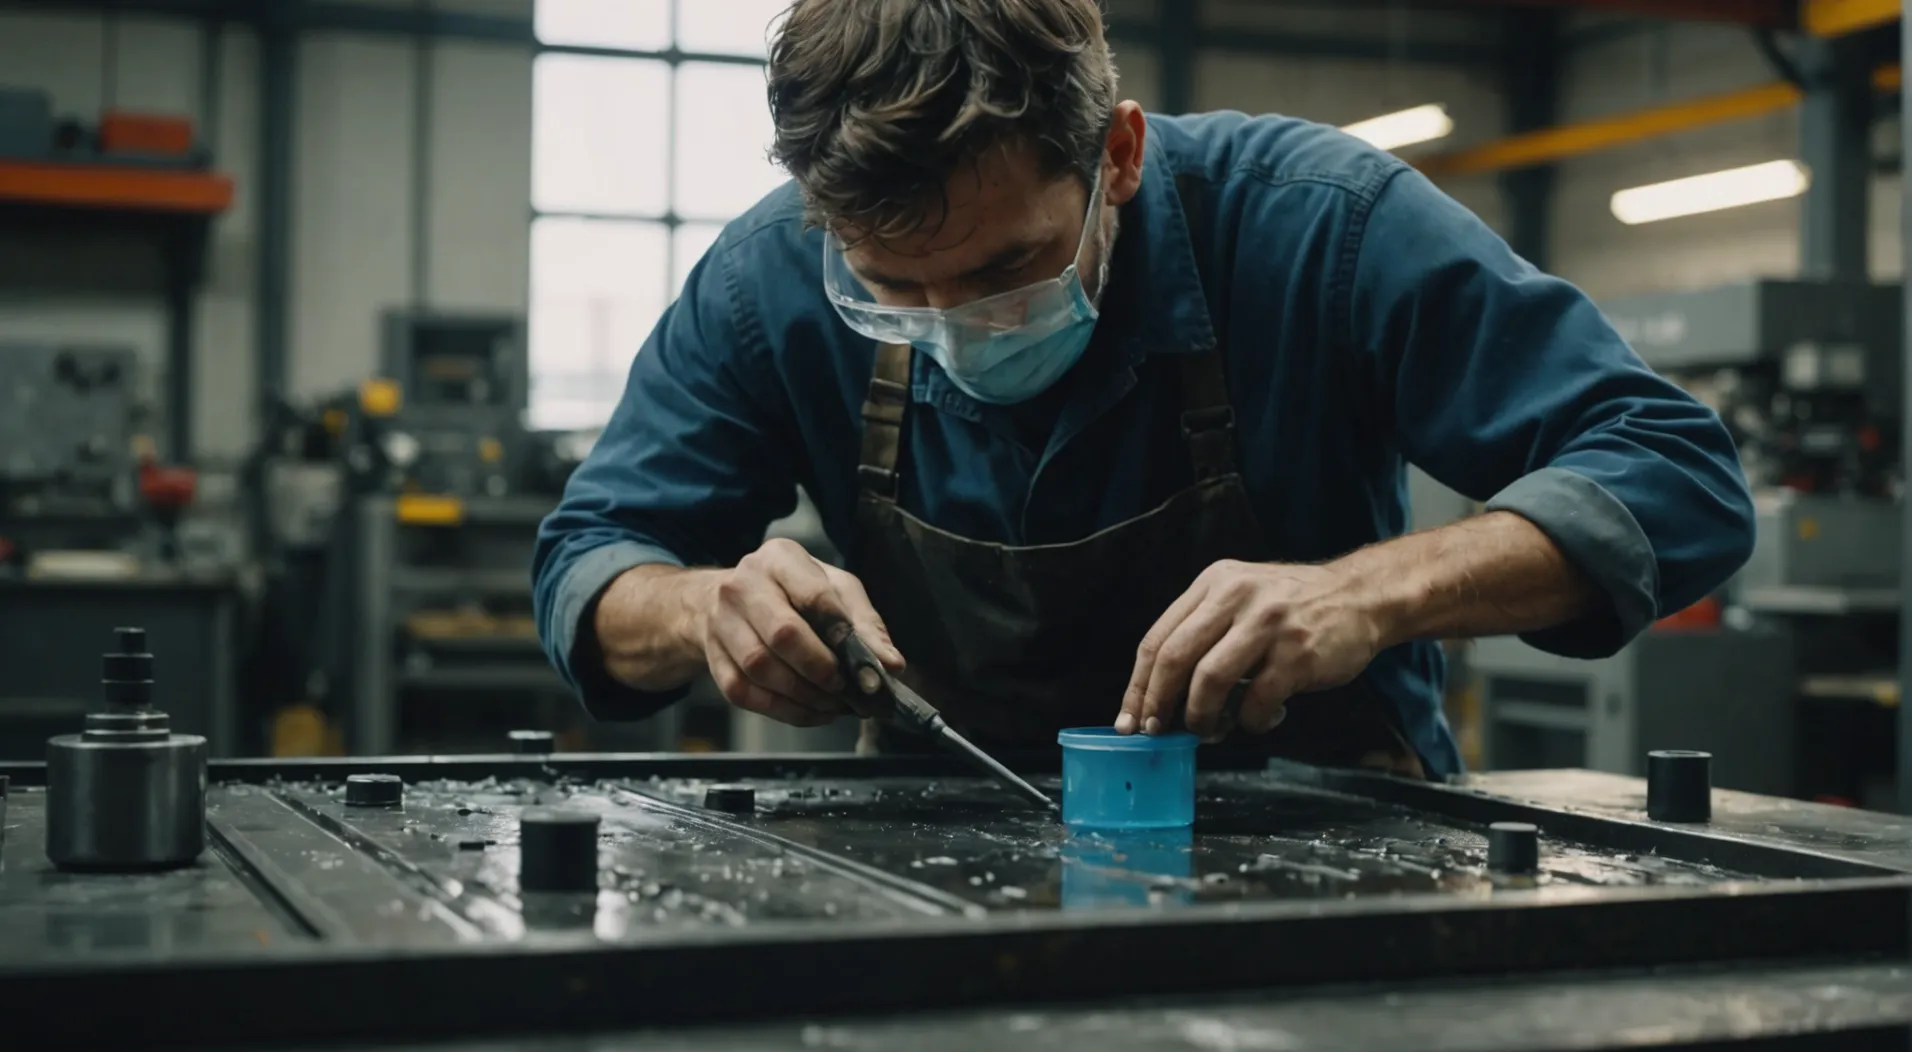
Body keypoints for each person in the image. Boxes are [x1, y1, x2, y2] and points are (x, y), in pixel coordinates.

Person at [532, 0, 1755, 779]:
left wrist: (1372, 594)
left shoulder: (1314, 228)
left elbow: (1672, 472)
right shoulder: (765, 278)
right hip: (930, 853)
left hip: (1325, 836)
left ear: (1115, 154)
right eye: (889, 288)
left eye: (1006, 269)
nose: (955, 324)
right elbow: (592, 557)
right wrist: (704, 612)